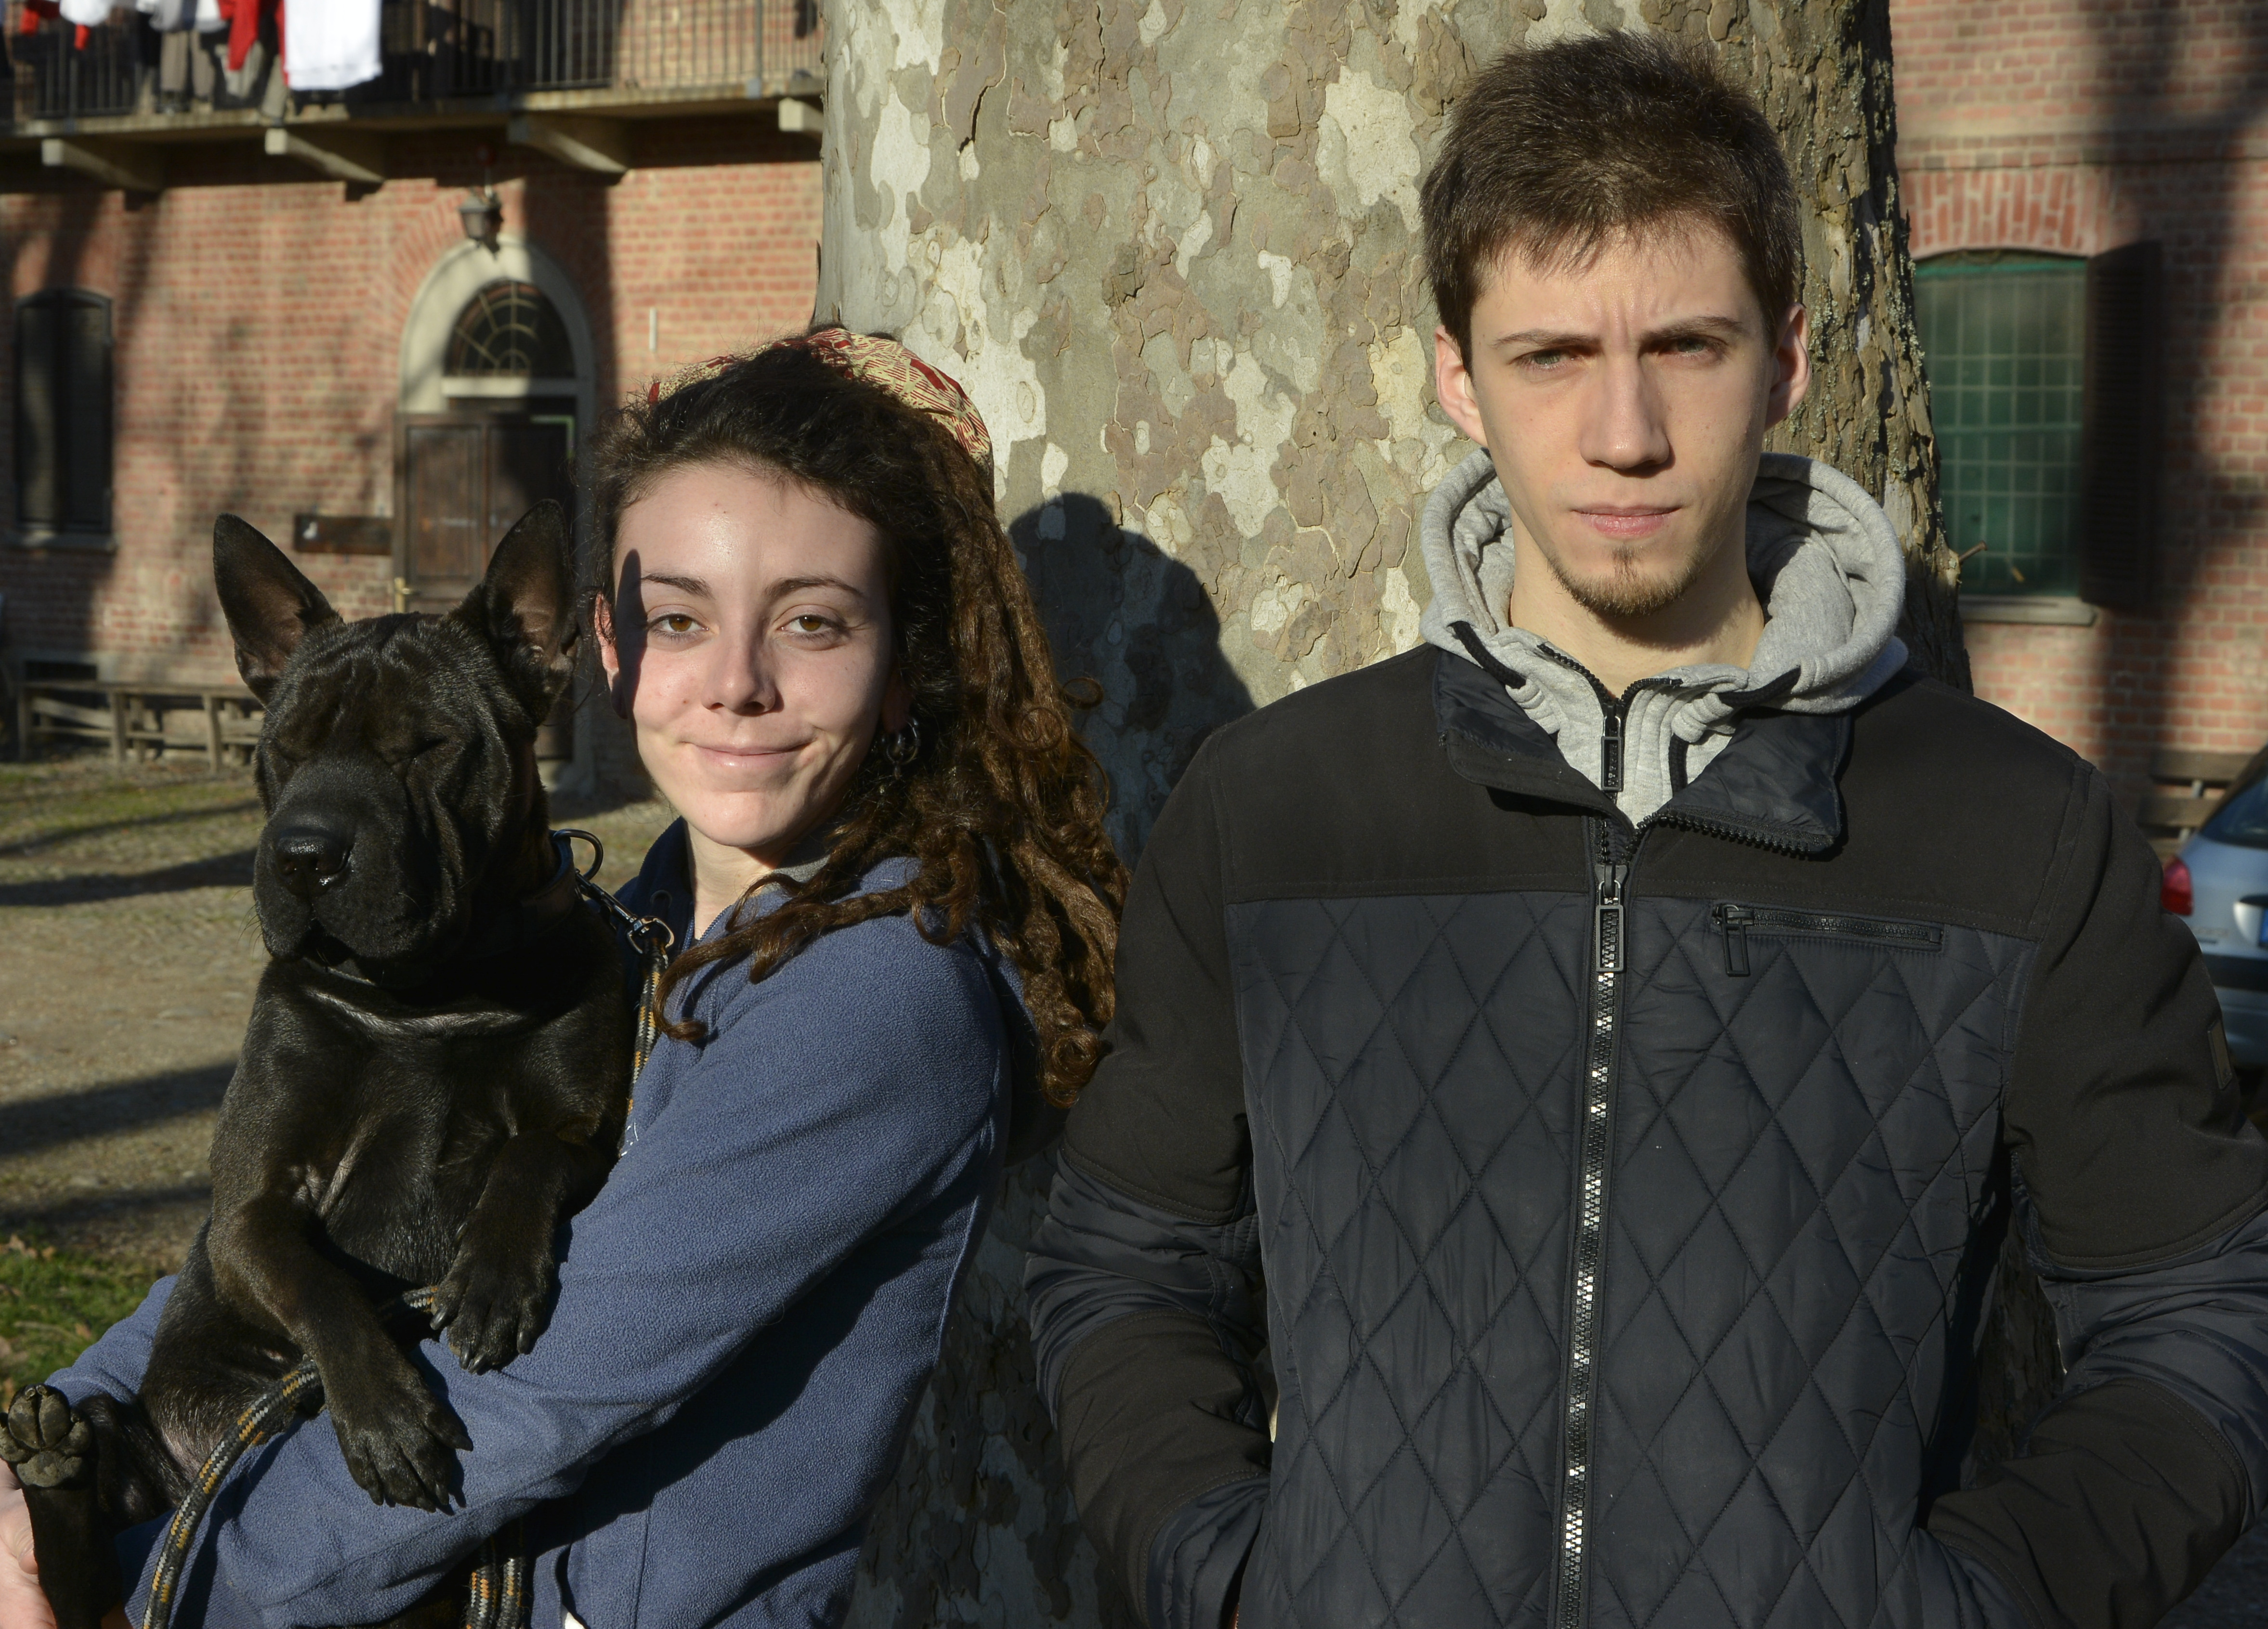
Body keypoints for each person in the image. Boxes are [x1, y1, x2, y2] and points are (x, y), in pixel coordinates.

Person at [1025, 31, 2268, 1629]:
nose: (1626, 432)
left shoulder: (2015, 831)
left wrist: (1973, 1605)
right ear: (1457, 379)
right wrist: (1233, 1580)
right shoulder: (1271, 808)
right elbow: (1123, 1267)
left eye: (1686, 345)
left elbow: (2200, 1308)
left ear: (1789, 360)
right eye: (1550, 356)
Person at [0, 329, 1125, 1629]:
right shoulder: (635, 923)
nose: (738, 684)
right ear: (608, 648)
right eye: (680, 619)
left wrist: (152, 1589)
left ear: (905, 663)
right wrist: (52, 1459)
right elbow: (265, 1225)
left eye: (813, 621)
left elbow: (535, 1401)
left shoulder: (876, 1001)